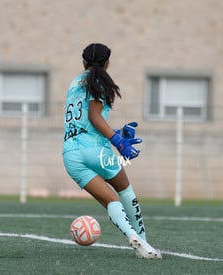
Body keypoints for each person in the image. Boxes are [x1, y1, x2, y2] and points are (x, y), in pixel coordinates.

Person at [62, 43, 162, 259]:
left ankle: (131, 236)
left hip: (71, 154)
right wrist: (117, 140)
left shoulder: (74, 83)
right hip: (95, 151)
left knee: (111, 200)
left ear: (83, 62)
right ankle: (142, 241)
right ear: (107, 63)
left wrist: (116, 132)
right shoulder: (98, 80)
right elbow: (94, 117)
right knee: (124, 190)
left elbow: (84, 122)